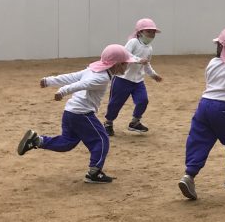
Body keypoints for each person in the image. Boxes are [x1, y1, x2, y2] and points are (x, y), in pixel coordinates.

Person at [16, 44, 138, 183]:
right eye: (125, 63)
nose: (127, 66)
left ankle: (37, 140)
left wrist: (49, 81)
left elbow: (72, 77)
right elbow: (81, 84)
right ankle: (94, 173)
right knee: (101, 139)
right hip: (82, 114)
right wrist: (63, 91)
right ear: (116, 64)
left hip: (70, 112)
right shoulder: (102, 78)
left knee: (67, 143)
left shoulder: (92, 70)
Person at [178, 27, 225, 201]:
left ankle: (189, 175)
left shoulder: (213, 62)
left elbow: (209, 81)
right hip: (223, 107)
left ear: (221, 46)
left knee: (199, 139)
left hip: (204, 104)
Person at [104, 18, 164, 136]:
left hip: (138, 81)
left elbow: (146, 64)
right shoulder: (133, 42)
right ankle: (108, 123)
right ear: (140, 32)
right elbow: (124, 55)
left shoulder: (149, 48)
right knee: (115, 103)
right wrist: (138, 60)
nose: (152, 34)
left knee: (143, 100)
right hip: (122, 79)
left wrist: (153, 75)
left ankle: (135, 122)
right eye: (148, 31)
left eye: (153, 32)